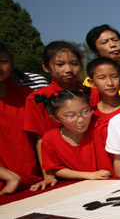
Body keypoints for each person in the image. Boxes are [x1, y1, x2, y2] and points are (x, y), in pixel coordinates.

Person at [24, 41, 99, 186]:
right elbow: (40, 139)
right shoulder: (38, 98)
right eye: (60, 64)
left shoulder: (94, 94)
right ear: (45, 67)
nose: (68, 69)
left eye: (74, 63)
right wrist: (48, 175)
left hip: (94, 164)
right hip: (61, 169)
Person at [32, 90, 113, 190]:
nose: (80, 120)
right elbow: (57, 169)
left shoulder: (101, 129)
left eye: (85, 112)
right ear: (55, 118)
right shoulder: (50, 139)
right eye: (71, 116)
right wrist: (89, 175)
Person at [0, 42, 40, 194]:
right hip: (5, 185)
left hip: (32, 181)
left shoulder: (25, 94)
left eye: (3, 61)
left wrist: (47, 173)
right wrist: (8, 177)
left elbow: (39, 136)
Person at [85, 57, 120, 147]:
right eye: (102, 78)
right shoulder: (91, 115)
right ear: (91, 82)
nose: (110, 83)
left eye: (114, 76)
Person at [83, 25, 120, 95]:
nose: (112, 44)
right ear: (95, 51)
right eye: (104, 42)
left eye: (115, 40)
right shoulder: (92, 82)